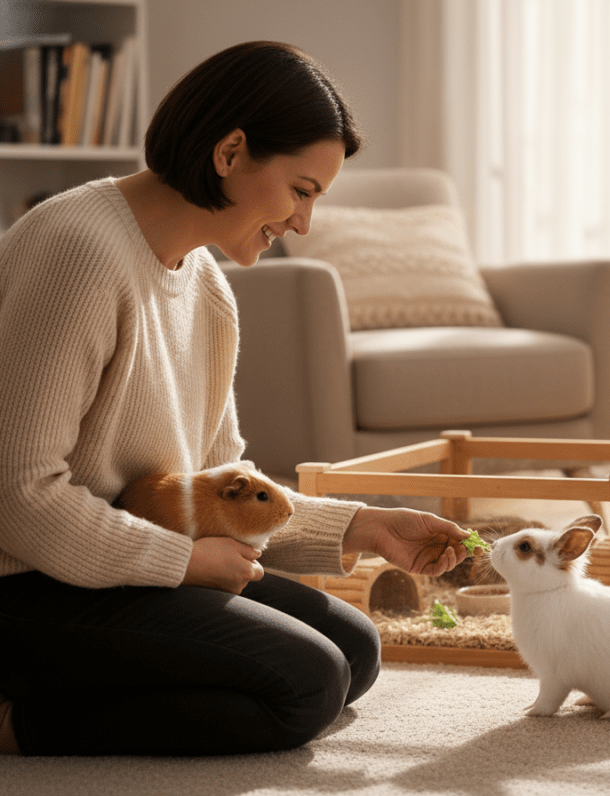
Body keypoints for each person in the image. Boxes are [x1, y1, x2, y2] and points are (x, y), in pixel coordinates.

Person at [0, 41, 469, 757]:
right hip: (25, 583)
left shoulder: (208, 288)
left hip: (107, 570)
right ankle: (14, 721)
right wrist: (181, 564)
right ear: (230, 152)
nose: (304, 224)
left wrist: (360, 527)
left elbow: (225, 485)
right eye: (303, 191)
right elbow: (18, 493)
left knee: (355, 650)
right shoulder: (76, 249)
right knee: (305, 684)